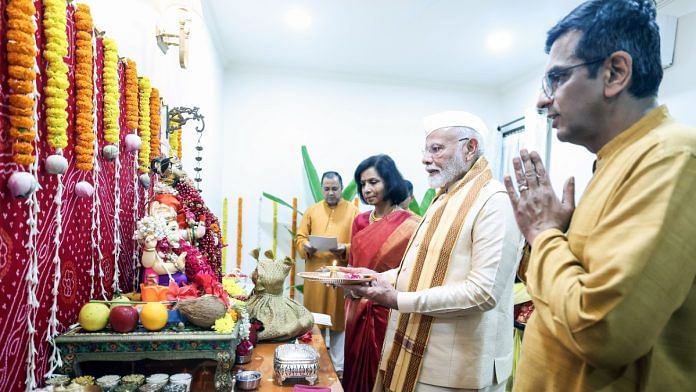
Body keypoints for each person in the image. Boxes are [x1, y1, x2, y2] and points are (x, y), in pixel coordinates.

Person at [504, 1, 696, 391]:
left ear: (615, 73)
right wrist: (556, 234)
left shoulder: (671, 156)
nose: (543, 101)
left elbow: (602, 330)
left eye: (557, 79)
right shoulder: (617, 158)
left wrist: (543, 234)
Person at [344, 111, 522, 392]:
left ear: (470, 147)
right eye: (426, 150)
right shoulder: (444, 199)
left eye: (436, 149)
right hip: (414, 355)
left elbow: (483, 293)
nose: (425, 159)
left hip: (456, 369)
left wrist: (398, 299)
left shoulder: (495, 203)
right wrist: (372, 279)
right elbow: (417, 268)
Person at [343, 155, 420, 392]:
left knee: (384, 369)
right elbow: (353, 266)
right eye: (363, 184)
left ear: (390, 181)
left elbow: (412, 274)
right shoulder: (360, 221)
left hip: (388, 311)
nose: (367, 189)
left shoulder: (412, 225)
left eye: (373, 182)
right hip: (355, 308)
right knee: (354, 364)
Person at [296, 171, 359, 375]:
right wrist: (306, 245)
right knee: (316, 318)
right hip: (315, 274)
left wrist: (345, 248)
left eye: (335, 188)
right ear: (322, 188)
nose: (330, 192)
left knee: (338, 319)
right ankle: (315, 363)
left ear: (341, 188)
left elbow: (359, 241)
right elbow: (300, 238)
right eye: (326, 188)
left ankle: (339, 368)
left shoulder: (353, 212)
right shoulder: (312, 211)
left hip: (339, 274)